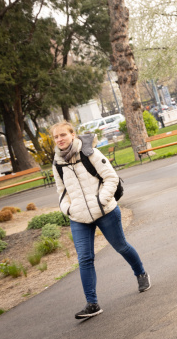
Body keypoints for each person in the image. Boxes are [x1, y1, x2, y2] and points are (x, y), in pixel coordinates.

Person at [50, 121, 151, 320]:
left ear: (72, 135)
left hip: (105, 211)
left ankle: (141, 273)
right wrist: (68, 209)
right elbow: (61, 191)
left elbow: (111, 178)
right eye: (56, 137)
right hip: (78, 217)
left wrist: (100, 200)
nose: (59, 139)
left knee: (121, 246)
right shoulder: (57, 163)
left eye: (63, 135)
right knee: (84, 259)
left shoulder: (90, 153)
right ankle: (92, 303)